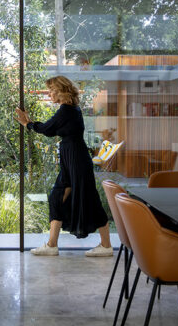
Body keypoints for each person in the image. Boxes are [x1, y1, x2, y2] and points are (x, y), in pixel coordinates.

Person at [14, 76, 113, 257]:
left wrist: (28, 123)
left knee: (90, 199)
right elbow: (51, 129)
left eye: (51, 90)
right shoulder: (70, 109)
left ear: (61, 91)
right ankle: (51, 245)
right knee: (56, 198)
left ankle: (106, 246)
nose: (49, 94)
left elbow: (47, 128)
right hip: (72, 159)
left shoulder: (67, 110)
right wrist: (30, 123)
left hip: (77, 160)